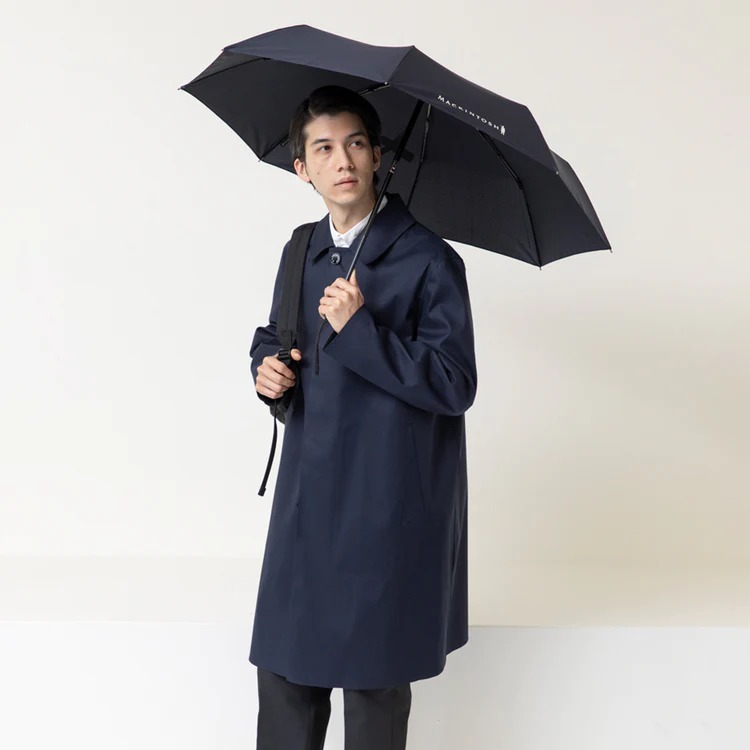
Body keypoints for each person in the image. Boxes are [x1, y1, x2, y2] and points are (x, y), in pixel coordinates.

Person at [249, 85, 477, 750]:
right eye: (323, 148)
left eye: (355, 144)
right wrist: (268, 371)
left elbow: (454, 383)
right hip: (307, 501)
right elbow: (279, 336)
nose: (342, 160)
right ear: (303, 168)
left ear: (378, 155)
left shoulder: (429, 258)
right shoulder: (300, 249)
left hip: (386, 507)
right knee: (285, 681)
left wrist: (361, 331)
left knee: (373, 689)